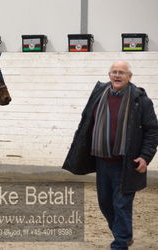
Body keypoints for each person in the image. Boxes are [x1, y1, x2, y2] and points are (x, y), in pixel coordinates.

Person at [63, 61, 158, 250]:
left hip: (127, 163)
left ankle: (120, 243)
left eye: (122, 72)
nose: (117, 75)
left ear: (129, 77)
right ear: (109, 75)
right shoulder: (99, 95)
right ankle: (124, 234)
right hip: (102, 161)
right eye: (114, 72)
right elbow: (86, 121)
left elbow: (152, 131)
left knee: (121, 204)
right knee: (105, 203)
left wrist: (145, 157)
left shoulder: (140, 101)